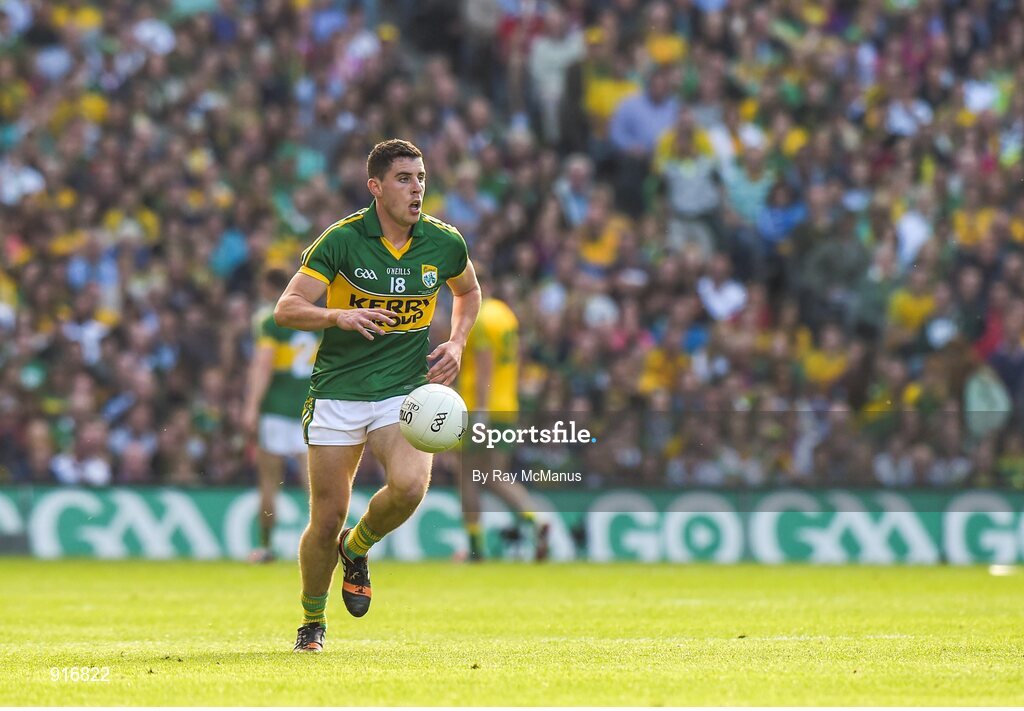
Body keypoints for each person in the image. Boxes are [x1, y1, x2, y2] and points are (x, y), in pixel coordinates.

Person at [274, 139, 481, 653]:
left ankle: (358, 545)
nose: (417, 189)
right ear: (376, 186)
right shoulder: (342, 240)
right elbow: (286, 308)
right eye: (405, 179)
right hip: (339, 391)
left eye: (421, 178)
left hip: (402, 391)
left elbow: (469, 292)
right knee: (324, 520)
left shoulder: (443, 242)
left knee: (411, 486)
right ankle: (312, 622)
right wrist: (337, 315)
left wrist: (455, 341)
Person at [457, 270, 549, 562]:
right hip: (507, 404)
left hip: (479, 407)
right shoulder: (505, 315)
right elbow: (516, 359)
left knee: (468, 476)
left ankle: (476, 546)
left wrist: (481, 412)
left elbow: (484, 367)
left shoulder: (480, 318)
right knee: (495, 475)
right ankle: (534, 519)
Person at [241, 268, 319, 563]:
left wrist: (251, 406)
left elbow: (264, 364)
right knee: (315, 486)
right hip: (309, 410)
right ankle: (325, 545)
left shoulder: (270, 320)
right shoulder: (316, 319)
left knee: (269, 483)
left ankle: (265, 546)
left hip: (275, 410)